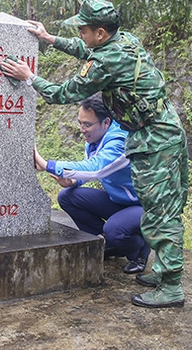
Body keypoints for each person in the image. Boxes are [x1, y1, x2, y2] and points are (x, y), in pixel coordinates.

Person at [1, 0, 189, 309]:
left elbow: (66, 93)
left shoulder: (106, 61)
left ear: (100, 33)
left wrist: (29, 78)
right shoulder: (124, 40)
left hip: (155, 140)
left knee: (160, 213)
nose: (82, 35)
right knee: (161, 209)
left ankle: (171, 287)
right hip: (163, 129)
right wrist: (51, 39)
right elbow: (86, 50)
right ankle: (163, 271)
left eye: (84, 30)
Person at [34, 93, 149, 274]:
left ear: (106, 123)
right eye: (80, 123)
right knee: (68, 196)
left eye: (87, 124)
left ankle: (138, 247)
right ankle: (110, 243)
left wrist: (48, 165)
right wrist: (72, 181)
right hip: (119, 201)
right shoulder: (96, 138)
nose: (82, 129)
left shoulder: (120, 141)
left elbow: (97, 169)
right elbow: (88, 170)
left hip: (143, 206)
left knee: (113, 229)